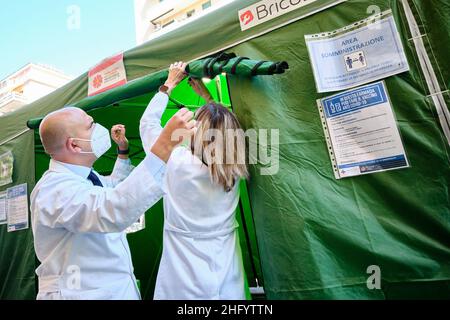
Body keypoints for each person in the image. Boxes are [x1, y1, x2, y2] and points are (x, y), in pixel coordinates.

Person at [30, 96, 195, 300]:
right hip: (78, 292)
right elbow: (112, 208)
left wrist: (123, 150)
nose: (99, 128)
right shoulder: (54, 189)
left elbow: (116, 187)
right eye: (91, 125)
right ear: (74, 145)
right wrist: (164, 146)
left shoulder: (87, 178)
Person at [140, 62, 249, 300]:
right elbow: (223, 130)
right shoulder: (235, 168)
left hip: (183, 282)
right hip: (228, 279)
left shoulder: (177, 162)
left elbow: (147, 125)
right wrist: (207, 98)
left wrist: (168, 85)